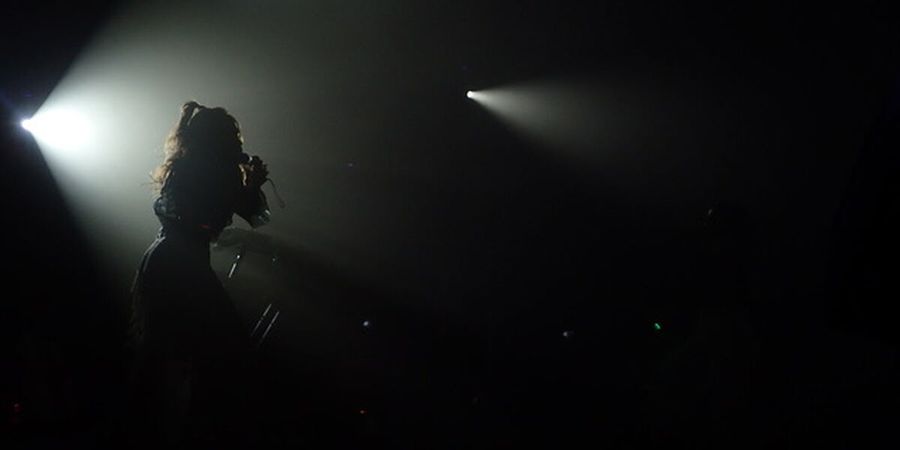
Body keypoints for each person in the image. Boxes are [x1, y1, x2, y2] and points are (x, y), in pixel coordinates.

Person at [125, 101, 270, 448]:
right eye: (233, 135)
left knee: (183, 354)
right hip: (176, 264)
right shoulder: (200, 171)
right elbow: (196, 214)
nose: (238, 142)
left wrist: (251, 186)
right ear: (218, 138)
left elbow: (258, 217)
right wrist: (245, 189)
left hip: (181, 263)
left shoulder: (213, 171)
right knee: (204, 352)